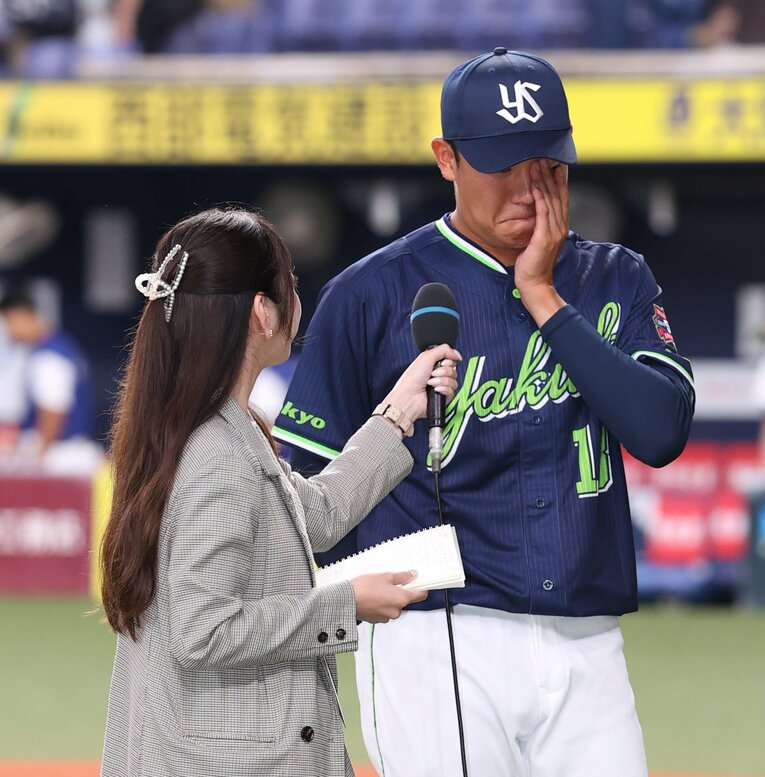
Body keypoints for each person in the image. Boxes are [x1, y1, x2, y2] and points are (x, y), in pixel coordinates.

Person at [274, 49, 695, 777]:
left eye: (549, 165)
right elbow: (304, 493)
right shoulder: (369, 294)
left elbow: (658, 432)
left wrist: (544, 298)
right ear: (447, 159)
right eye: (505, 166)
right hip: (435, 638)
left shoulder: (613, 277)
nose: (532, 188)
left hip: (587, 640)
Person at [98, 207, 459, 777]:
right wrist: (348, 604)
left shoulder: (208, 427)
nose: (297, 297)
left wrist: (398, 413)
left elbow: (310, 516)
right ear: (262, 313)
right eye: (289, 284)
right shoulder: (214, 451)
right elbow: (204, 629)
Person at [0, 291, 100, 475]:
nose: (9, 333)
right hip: (67, 453)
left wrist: (35, 460)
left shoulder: (49, 356)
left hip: (61, 458)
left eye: (8, 323)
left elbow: (54, 411)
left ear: (21, 316)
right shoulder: (57, 345)